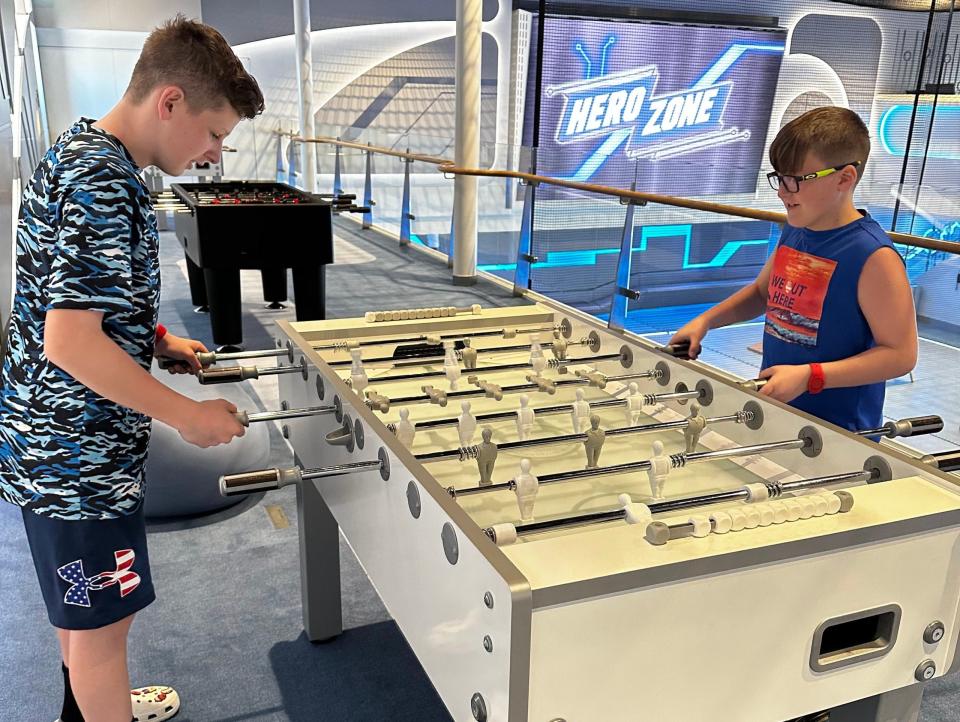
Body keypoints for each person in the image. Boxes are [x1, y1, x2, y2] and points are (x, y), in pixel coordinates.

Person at [0, 16, 263, 722]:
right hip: (76, 458)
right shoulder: (105, 184)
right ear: (169, 101)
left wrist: (154, 338)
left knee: (82, 619)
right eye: (212, 132)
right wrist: (190, 415)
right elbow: (71, 343)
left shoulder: (83, 151)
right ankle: (100, 695)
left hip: (47, 442)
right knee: (101, 629)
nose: (213, 153)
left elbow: (67, 291)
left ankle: (94, 704)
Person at [669, 106, 917, 432]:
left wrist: (811, 377)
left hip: (839, 433)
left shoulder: (873, 256)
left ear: (844, 178)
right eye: (780, 178)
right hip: (778, 411)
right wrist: (705, 322)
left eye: (796, 180)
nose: (783, 192)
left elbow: (901, 355)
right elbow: (761, 293)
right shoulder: (797, 230)